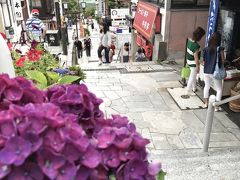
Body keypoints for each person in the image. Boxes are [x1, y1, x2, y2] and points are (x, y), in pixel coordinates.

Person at [203, 32, 225, 111]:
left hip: (206, 71)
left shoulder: (205, 49)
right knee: (219, 89)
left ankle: (206, 103)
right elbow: (223, 61)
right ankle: (216, 107)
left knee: (207, 86)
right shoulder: (220, 49)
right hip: (215, 72)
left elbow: (204, 60)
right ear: (219, 40)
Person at [185, 26, 206, 95]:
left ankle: (194, 88)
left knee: (193, 76)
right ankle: (187, 91)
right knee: (191, 77)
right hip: (193, 63)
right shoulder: (196, 46)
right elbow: (196, 58)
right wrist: (198, 67)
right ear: (199, 37)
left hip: (188, 60)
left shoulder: (189, 40)